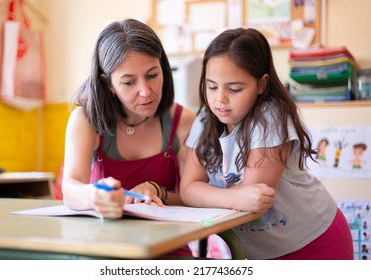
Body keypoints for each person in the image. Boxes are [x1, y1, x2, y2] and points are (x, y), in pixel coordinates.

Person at [180, 27, 354, 260]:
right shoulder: (203, 121)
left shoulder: (270, 116)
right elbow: (189, 189)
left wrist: (211, 195)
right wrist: (232, 197)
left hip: (315, 242)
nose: (219, 98)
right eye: (211, 86)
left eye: (234, 89)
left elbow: (254, 201)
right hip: (261, 254)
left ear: (261, 84)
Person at [62, 19, 195, 256]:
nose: (145, 91)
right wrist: (95, 196)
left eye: (153, 75)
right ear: (109, 84)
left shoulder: (183, 121)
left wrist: (158, 191)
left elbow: (192, 196)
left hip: (169, 248)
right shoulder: (86, 120)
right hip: (103, 247)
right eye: (128, 82)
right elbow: (70, 188)